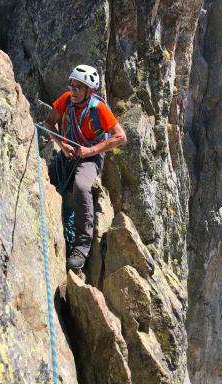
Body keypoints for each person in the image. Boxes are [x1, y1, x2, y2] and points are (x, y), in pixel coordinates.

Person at [44, 64, 127, 269]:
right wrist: (62, 146)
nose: (73, 91)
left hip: (91, 158)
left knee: (81, 187)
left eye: (79, 87)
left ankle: (82, 246)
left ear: (90, 91)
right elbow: (48, 123)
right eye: (72, 85)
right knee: (47, 179)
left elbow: (120, 136)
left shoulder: (99, 109)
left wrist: (90, 151)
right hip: (69, 153)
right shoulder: (65, 100)